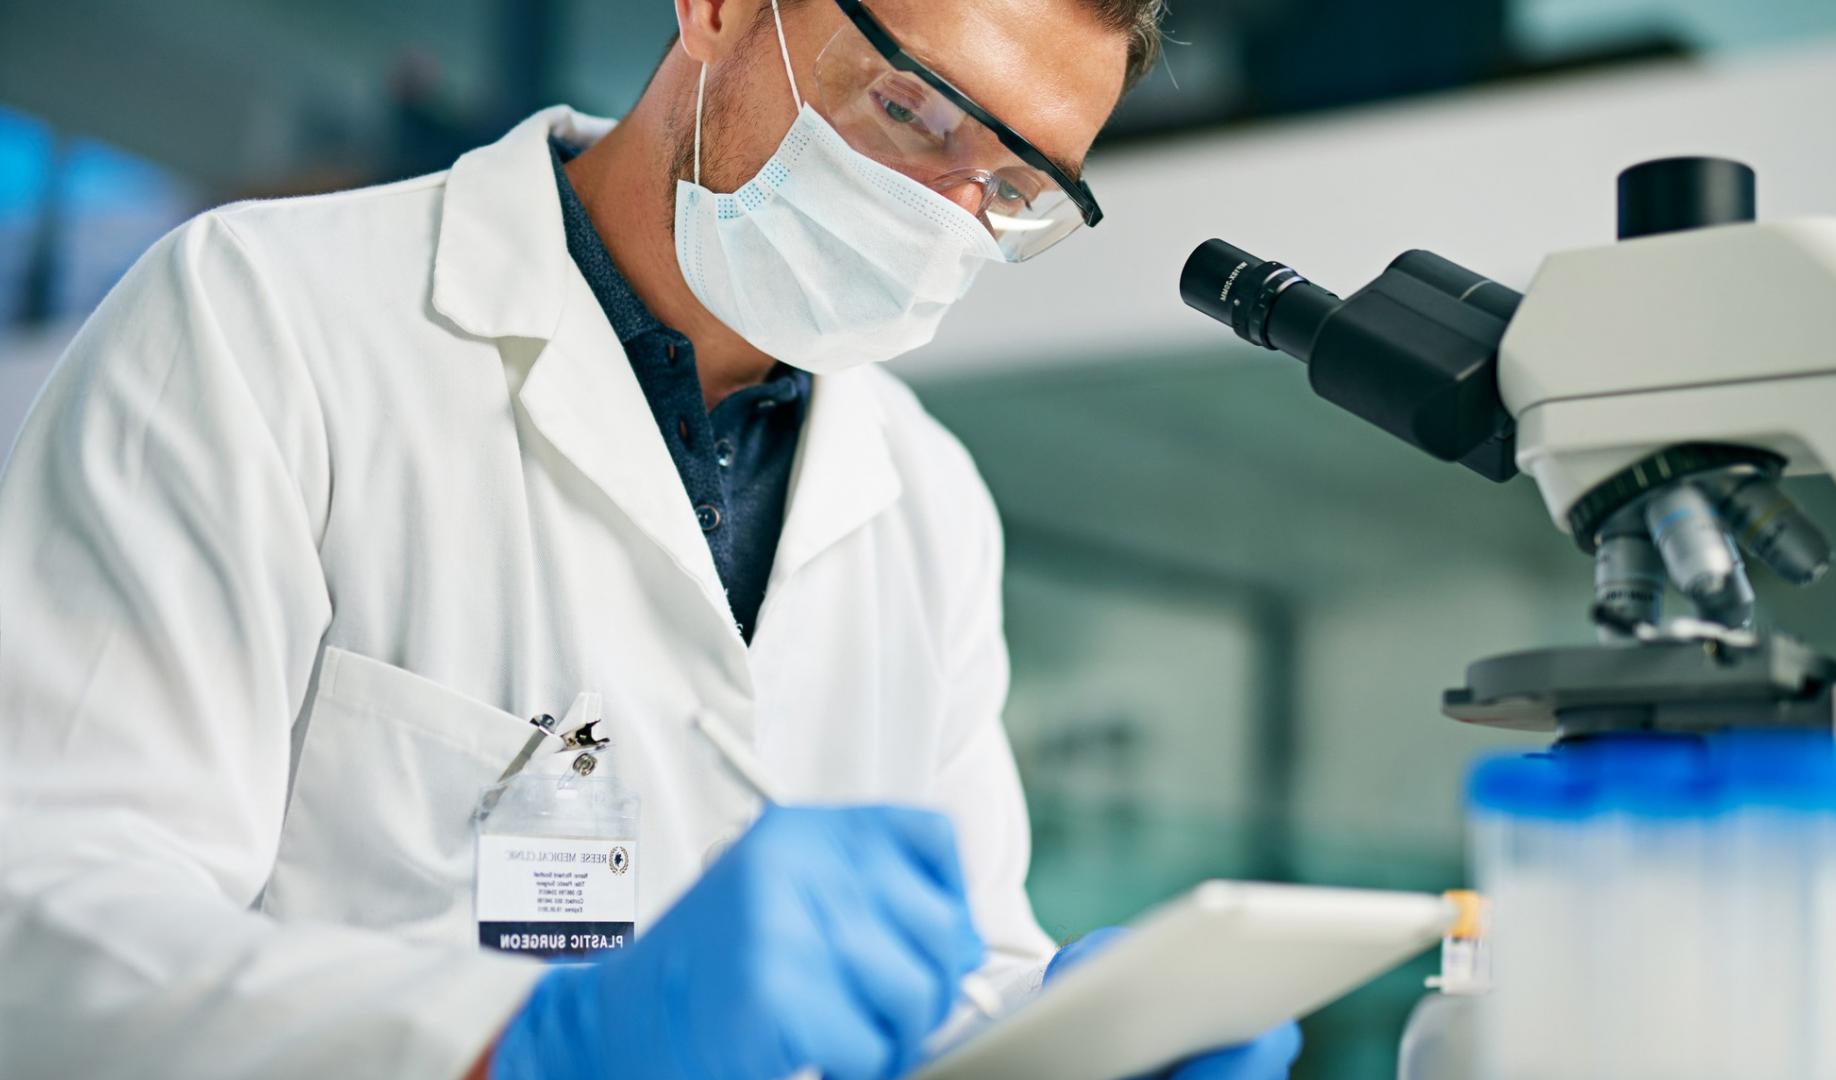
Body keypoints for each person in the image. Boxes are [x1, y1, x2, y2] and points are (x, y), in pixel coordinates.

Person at [0, 0, 1304, 1077]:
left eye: (1012, 190)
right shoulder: (263, 325)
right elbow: (50, 935)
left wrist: (1060, 1045)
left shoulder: (925, 498)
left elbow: (944, 981)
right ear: (723, 12)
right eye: (911, 112)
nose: (942, 218)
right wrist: (524, 1043)